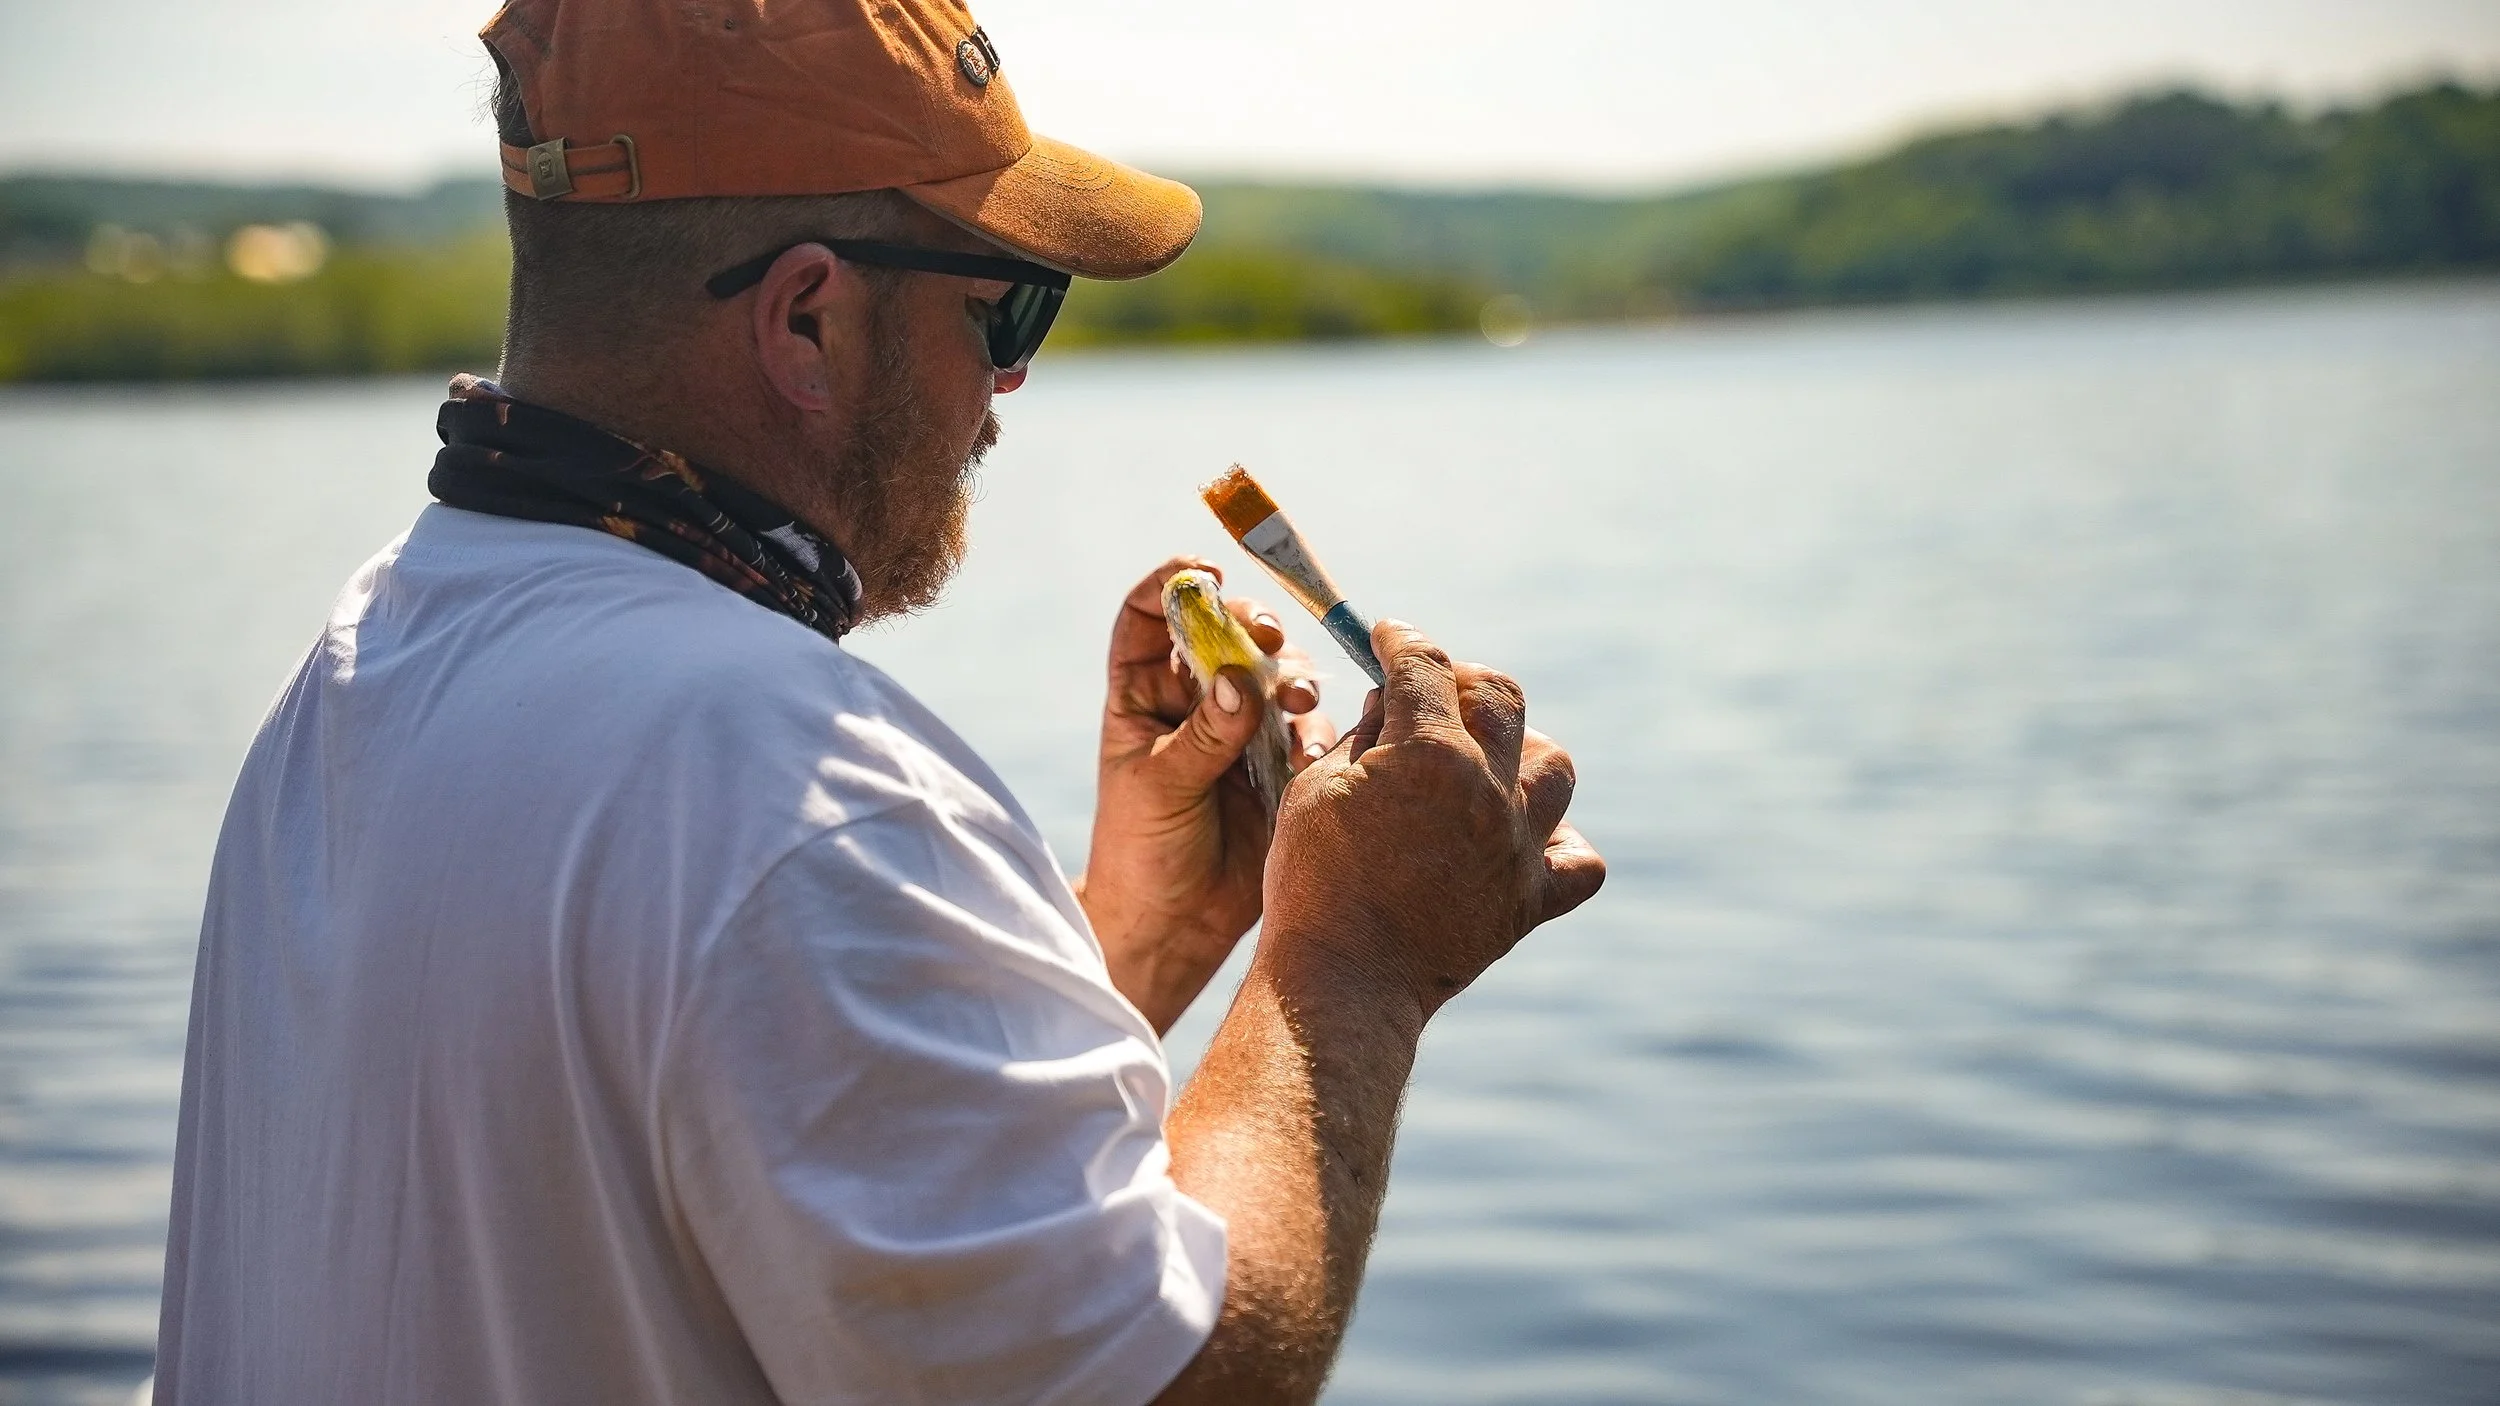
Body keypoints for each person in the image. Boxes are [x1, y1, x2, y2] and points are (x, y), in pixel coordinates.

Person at [150, 0, 1604, 1401]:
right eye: (1005, 307)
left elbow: (708, 1157)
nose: (1008, 386)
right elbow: (1162, 1388)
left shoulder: (362, 664)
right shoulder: (791, 789)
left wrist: (1134, 940)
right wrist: (1355, 950)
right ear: (804, 320)